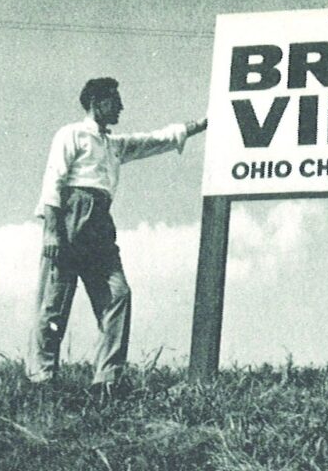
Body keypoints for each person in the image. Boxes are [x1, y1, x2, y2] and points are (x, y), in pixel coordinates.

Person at [26, 77, 206, 396]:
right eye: (115, 100)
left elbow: (154, 140)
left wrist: (199, 125)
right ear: (97, 102)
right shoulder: (71, 134)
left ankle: (106, 380)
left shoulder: (114, 145)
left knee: (117, 294)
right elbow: (53, 181)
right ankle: (41, 377)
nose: (121, 106)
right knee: (54, 302)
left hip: (100, 223)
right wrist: (52, 232)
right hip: (70, 217)